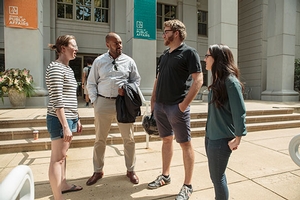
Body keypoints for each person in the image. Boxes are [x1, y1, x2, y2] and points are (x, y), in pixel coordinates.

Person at [148, 19, 203, 200]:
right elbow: (158, 79)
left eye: (166, 31)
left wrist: (183, 106)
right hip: (161, 107)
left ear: (176, 33)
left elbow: (198, 80)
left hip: (176, 107)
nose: (163, 34)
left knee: (185, 143)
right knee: (166, 141)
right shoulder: (164, 55)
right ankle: (165, 176)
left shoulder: (189, 53)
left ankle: (187, 185)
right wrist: (153, 100)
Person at [86, 32, 141, 185]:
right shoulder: (99, 61)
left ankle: (131, 170)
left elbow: (136, 80)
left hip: (123, 104)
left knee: (128, 139)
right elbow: (91, 83)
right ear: (107, 45)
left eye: (120, 43)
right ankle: (98, 171)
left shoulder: (129, 61)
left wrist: (127, 89)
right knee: (100, 139)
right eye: (116, 43)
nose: (119, 46)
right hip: (103, 103)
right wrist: (95, 101)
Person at [204, 44, 247, 200]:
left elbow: (239, 111)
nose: (205, 59)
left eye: (207, 56)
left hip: (221, 140)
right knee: (216, 176)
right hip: (210, 136)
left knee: (217, 178)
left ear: (217, 59)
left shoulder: (231, 82)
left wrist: (238, 138)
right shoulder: (217, 80)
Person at [46, 35, 83, 200]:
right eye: (73, 46)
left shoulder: (67, 68)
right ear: (63, 48)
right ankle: (58, 197)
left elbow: (70, 97)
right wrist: (66, 125)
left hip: (69, 117)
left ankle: (63, 184)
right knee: (57, 159)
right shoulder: (55, 68)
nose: (76, 49)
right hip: (60, 119)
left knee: (63, 156)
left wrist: (77, 118)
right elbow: (57, 99)